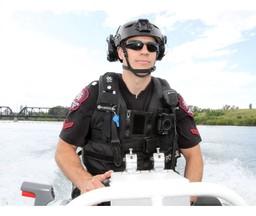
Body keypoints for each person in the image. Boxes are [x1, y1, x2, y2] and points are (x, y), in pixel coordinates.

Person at [55, 18, 206, 205]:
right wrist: (85, 181)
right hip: (103, 199)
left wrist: (188, 198)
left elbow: (194, 154)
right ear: (120, 52)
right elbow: (64, 149)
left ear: (157, 54)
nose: (144, 51)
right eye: (135, 45)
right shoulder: (95, 95)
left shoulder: (171, 101)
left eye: (152, 47)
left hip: (160, 201)